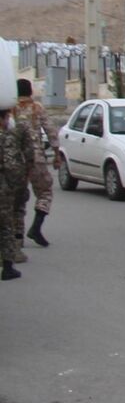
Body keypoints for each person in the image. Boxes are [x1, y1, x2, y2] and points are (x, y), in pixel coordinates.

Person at [16, 79, 58, 247]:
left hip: (16, 159)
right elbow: (51, 130)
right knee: (45, 192)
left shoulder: (9, 109)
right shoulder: (37, 108)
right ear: (30, 91)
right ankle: (36, 226)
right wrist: (57, 154)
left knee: (17, 197)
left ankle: (17, 237)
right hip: (36, 158)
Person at [1, 103, 35, 280]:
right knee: (5, 225)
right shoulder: (7, 136)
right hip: (4, 189)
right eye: (5, 118)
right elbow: (12, 166)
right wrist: (19, 186)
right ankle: (7, 267)